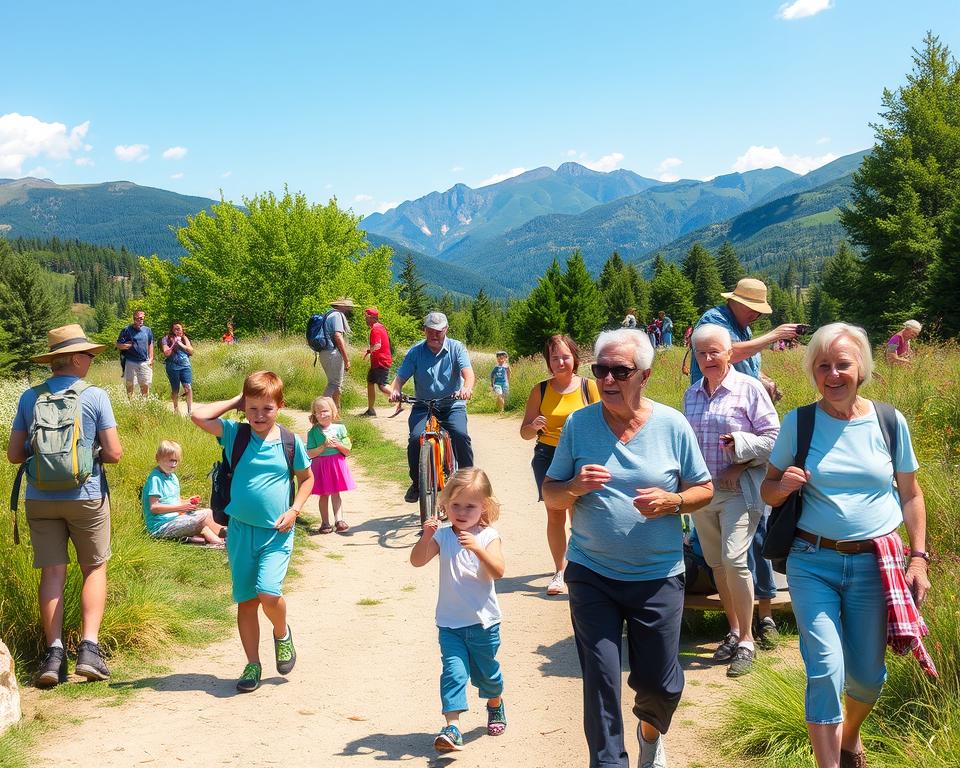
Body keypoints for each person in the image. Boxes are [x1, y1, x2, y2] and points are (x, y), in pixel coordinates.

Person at [761, 323, 932, 768]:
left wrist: (919, 558)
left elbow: (911, 494)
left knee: (867, 679)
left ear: (862, 369)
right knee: (824, 668)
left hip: (875, 565)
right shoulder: (798, 422)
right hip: (810, 560)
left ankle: (849, 735)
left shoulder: (889, 421)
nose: (832, 374)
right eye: (823, 366)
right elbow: (767, 489)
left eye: (842, 364)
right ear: (812, 372)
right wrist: (784, 486)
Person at [543, 328, 714, 768]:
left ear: (645, 375)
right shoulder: (580, 424)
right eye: (601, 370)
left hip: (657, 575)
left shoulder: (672, 424)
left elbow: (704, 489)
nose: (608, 379)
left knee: (659, 684)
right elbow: (551, 493)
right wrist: (575, 486)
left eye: (621, 371)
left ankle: (649, 731)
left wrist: (674, 501)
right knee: (600, 678)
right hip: (591, 572)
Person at [6, 324, 123, 686]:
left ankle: (52, 655)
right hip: (85, 496)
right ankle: (89, 650)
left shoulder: (30, 398)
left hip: (39, 498)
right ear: (73, 358)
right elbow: (115, 453)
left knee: (52, 573)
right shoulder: (95, 396)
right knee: (94, 568)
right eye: (87, 355)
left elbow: (13, 455)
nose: (90, 360)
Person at [691, 277, 802, 641]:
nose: (755, 313)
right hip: (709, 479)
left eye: (759, 310)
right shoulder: (715, 321)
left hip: (745, 471)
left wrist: (766, 382)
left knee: (747, 549)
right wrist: (772, 336)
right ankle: (742, 624)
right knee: (723, 558)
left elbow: (746, 369)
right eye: (753, 307)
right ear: (738, 302)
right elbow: (729, 352)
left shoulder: (743, 327)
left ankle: (757, 623)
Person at [191, 371, 313, 693]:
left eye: (267, 409)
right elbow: (197, 415)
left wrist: (295, 510)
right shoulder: (235, 434)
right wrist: (237, 400)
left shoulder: (290, 441)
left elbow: (307, 478)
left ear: (280, 407)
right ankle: (252, 664)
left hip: (276, 532)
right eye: (253, 408)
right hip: (240, 531)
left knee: (268, 592)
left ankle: (282, 632)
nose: (259, 416)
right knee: (247, 601)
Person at [682, 324, 780, 677]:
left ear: (729, 354)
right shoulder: (691, 394)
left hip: (740, 492)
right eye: (701, 352)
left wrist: (740, 455)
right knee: (717, 565)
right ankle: (735, 629)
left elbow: (774, 438)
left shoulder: (750, 388)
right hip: (703, 493)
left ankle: (748, 641)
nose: (708, 358)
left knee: (735, 559)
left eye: (714, 352)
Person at [409, 468, 507, 753]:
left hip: (483, 624)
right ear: (444, 506)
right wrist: (426, 537)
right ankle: (452, 727)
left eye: (470, 506)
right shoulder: (443, 536)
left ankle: (495, 702)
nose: (462, 512)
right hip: (450, 624)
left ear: (484, 507)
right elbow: (417, 561)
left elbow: (498, 571)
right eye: (455, 505)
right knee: (452, 673)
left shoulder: (488, 536)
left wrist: (477, 548)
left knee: (487, 677)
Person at [519, 335, 599, 596]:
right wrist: (533, 426)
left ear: (575, 358)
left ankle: (582, 566)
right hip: (548, 455)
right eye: (555, 358)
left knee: (581, 513)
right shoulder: (539, 390)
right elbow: (525, 433)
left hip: (580, 455)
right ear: (548, 362)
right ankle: (559, 571)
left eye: (565, 356)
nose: (560, 362)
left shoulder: (590, 387)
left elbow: (603, 424)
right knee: (555, 514)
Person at [388, 312, 475, 504]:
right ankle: (417, 483)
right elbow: (400, 377)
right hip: (423, 404)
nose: (434, 335)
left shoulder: (456, 348)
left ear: (446, 330)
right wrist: (396, 391)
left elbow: (467, 373)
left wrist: (466, 388)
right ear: (424, 329)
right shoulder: (415, 352)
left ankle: (469, 481)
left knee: (460, 434)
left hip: (452, 403)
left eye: (439, 331)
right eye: (430, 331)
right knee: (414, 439)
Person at [142, 440, 224, 546]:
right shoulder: (155, 479)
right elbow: (154, 507)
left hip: (174, 518)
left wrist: (188, 502)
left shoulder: (172, 477)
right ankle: (227, 537)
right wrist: (182, 508)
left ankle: (220, 540)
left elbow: (174, 501)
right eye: (170, 460)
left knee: (207, 512)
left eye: (176, 461)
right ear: (158, 458)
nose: (174, 464)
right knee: (203, 517)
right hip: (160, 526)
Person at [306, 396, 356, 534]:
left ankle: (339, 520)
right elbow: (310, 453)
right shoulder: (313, 432)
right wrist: (323, 446)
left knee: (336, 492)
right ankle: (325, 522)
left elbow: (347, 450)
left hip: (336, 464)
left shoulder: (340, 429)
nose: (322, 414)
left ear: (333, 412)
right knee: (323, 494)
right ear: (314, 415)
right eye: (318, 412)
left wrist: (338, 444)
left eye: (325, 411)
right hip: (321, 465)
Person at [317, 298, 356, 411]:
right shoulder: (337, 315)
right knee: (334, 384)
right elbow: (338, 337)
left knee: (336, 385)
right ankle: (320, 411)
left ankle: (336, 412)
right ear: (341, 306)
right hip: (332, 353)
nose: (349, 309)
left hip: (324, 352)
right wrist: (346, 359)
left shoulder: (328, 314)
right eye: (348, 306)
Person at [360, 307, 393, 417]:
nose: (365, 319)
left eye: (366, 317)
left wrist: (368, 350)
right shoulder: (380, 327)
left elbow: (377, 345)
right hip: (377, 362)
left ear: (371, 318)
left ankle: (401, 398)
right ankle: (371, 410)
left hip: (381, 361)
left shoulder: (375, 329)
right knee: (370, 382)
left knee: (382, 386)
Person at [116, 309, 154, 397]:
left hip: (144, 361)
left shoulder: (147, 330)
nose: (140, 321)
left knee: (145, 384)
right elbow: (118, 344)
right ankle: (130, 402)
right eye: (138, 319)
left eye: (142, 318)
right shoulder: (126, 330)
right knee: (130, 384)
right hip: (130, 361)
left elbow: (150, 343)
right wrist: (125, 346)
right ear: (134, 318)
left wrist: (151, 358)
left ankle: (144, 402)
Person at [160, 321, 194, 415]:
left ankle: (190, 411)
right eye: (174, 329)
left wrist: (181, 344)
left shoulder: (185, 338)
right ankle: (176, 409)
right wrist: (173, 343)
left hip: (185, 366)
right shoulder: (166, 339)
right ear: (172, 330)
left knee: (188, 387)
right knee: (175, 389)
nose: (177, 331)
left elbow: (191, 351)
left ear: (182, 329)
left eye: (178, 328)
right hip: (172, 367)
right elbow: (166, 353)